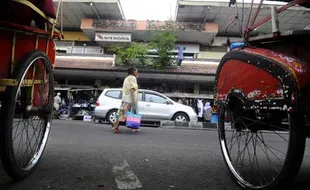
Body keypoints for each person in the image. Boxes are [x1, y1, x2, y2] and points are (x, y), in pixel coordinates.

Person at [112, 67, 139, 133]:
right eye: (136, 71)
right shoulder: (133, 78)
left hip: (125, 98)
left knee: (123, 112)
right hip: (130, 99)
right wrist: (133, 101)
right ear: (133, 72)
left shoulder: (127, 78)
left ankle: (134, 127)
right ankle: (115, 126)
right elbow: (132, 88)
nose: (137, 73)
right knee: (124, 113)